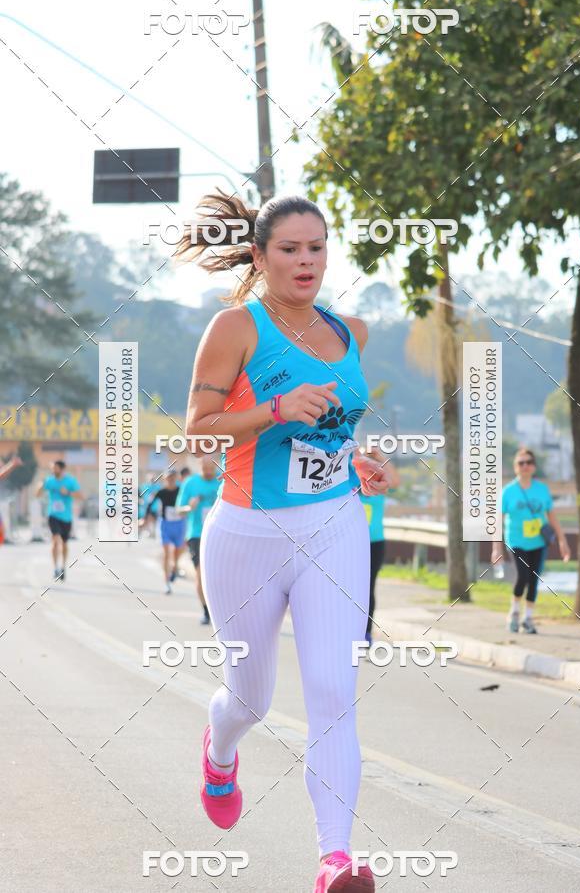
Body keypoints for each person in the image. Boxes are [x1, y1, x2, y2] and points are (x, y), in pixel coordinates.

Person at [179, 190, 394, 893]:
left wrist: (358, 461)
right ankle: (220, 749)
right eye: (290, 249)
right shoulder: (235, 328)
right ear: (261, 256)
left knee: (334, 688)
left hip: (334, 524)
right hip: (246, 533)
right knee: (252, 699)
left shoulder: (350, 331)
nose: (306, 261)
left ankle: (334, 857)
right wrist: (271, 410)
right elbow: (197, 431)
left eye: (317, 247)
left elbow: (334, 431)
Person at [491, 447, 571, 634]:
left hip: (538, 541)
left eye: (529, 462)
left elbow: (551, 516)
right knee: (522, 576)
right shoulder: (508, 492)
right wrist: (496, 548)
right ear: (516, 467)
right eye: (521, 463)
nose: (525, 466)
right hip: (516, 540)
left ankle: (528, 618)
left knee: (534, 578)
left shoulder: (542, 490)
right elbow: (498, 521)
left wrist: (562, 540)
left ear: (534, 467)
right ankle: (514, 612)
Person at [358, 444, 400, 646]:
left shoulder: (379, 484)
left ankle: (365, 633)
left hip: (375, 543)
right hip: (351, 543)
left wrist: (379, 456)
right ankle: (346, 630)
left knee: (368, 588)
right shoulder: (352, 484)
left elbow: (396, 481)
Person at [176, 454, 221, 624]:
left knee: (219, 576)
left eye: (211, 469)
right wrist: (189, 507)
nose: (208, 472)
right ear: (199, 466)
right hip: (196, 534)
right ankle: (206, 611)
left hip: (218, 534)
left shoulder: (222, 481)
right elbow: (179, 510)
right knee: (201, 574)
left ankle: (218, 608)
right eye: (205, 469)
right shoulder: (190, 483)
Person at [141, 470, 186, 595]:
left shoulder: (181, 490)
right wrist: (144, 519)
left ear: (176, 478)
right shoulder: (161, 492)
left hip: (179, 524)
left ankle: (175, 566)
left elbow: (187, 502)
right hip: (165, 524)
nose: (170, 480)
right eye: (168, 478)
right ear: (165, 479)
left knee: (177, 552)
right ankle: (167, 583)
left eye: (173, 478)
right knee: (166, 553)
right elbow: (150, 505)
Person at [35, 460, 82, 581]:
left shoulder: (70, 481)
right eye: (53, 468)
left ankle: (63, 567)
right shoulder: (50, 480)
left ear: (62, 469)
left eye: (56, 468)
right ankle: (55, 568)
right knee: (55, 540)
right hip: (53, 515)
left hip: (66, 517)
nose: (53, 470)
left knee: (65, 544)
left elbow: (81, 496)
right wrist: (40, 485)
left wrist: (68, 493)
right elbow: (37, 494)